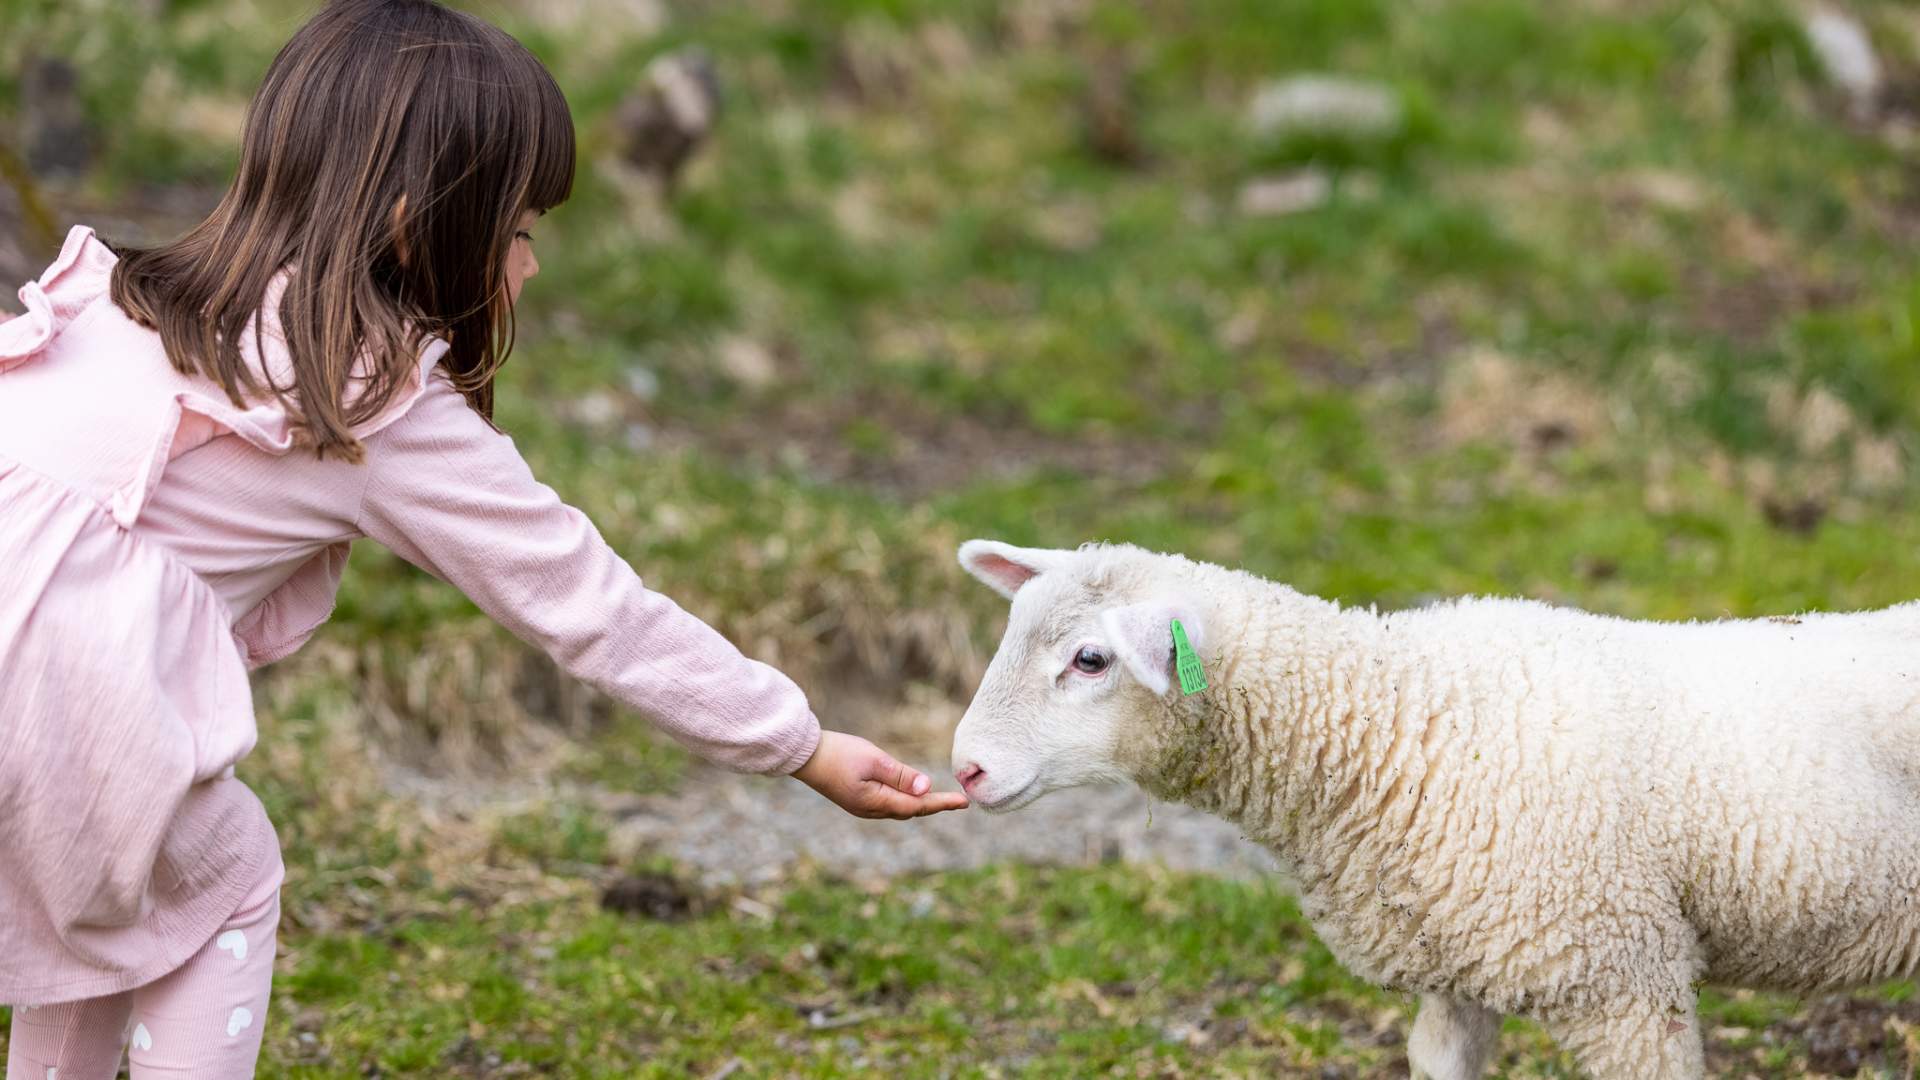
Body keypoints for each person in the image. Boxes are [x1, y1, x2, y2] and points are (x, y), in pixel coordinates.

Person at [0, 2, 965, 1075]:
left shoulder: (116, 302)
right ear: (419, 228)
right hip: (56, 698)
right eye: (518, 232)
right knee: (223, 878)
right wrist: (801, 743)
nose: (529, 267)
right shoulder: (362, 398)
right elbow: (592, 609)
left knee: (106, 907)